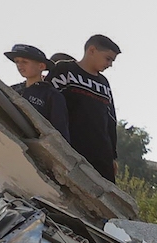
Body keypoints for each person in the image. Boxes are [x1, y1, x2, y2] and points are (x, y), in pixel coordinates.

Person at [48, 36, 119, 181]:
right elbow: (47, 101)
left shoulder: (104, 83)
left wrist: (113, 156)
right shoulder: (64, 70)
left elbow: (111, 120)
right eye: (108, 58)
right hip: (70, 149)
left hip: (101, 156)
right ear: (92, 50)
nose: (110, 64)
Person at [3, 45, 69, 143]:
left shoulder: (52, 95)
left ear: (41, 66)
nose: (20, 65)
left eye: (25, 62)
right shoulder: (12, 89)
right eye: (17, 61)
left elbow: (61, 132)